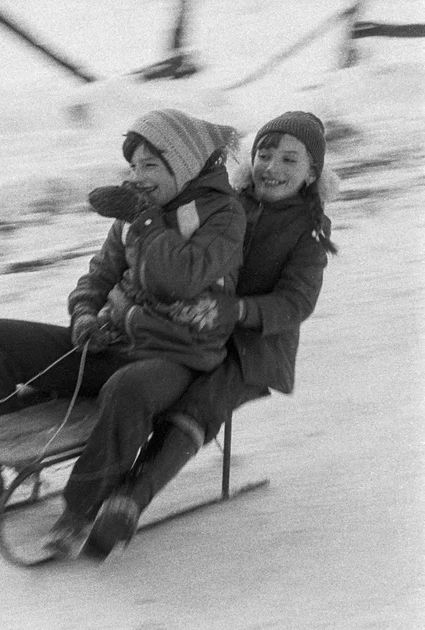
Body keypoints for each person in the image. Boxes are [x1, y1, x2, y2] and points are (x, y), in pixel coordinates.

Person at [0, 109, 247, 539]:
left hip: (174, 357)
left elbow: (179, 279)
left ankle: (82, 507)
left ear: (184, 164)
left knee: (127, 387)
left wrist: (148, 220)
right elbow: (99, 275)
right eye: (133, 166)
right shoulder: (137, 213)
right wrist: (84, 316)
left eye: (151, 165)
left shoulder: (222, 216)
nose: (138, 176)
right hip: (116, 344)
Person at [89, 110, 338, 553]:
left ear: (311, 173)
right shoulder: (227, 204)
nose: (272, 168)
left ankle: (131, 498)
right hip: (190, 330)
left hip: (252, 349)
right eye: (265, 154)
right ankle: (101, 456)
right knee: (145, 375)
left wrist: (238, 310)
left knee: (201, 401)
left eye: (289, 161)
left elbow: (295, 303)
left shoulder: (308, 234)